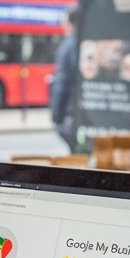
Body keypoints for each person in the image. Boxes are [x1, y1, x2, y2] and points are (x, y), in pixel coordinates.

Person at [49, 10, 80, 152]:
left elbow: (61, 83)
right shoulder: (84, 42)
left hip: (70, 113)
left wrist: (56, 115)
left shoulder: (67, 46)